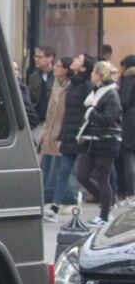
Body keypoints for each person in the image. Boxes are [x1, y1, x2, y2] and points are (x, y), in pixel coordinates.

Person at [45, 53, 94, 219]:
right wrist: (61, 136)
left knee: (85, 173)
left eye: (78, 60)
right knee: (64, 170)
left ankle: (105, 200)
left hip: (82, 135)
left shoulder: (87, 85)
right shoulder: (73, 85)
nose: (74, 60)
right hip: (69, 134)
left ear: (83, 67)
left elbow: (87, 112)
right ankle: (55, 207)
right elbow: (66, 113)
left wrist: (82, 131)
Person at [76, 59, 122, 226]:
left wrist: (90, 113)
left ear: (100, 75)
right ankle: (107, 203)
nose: (91, 74)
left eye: (94, 72)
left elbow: (108, 118)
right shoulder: (97, 91)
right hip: (91, 141)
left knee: (103, 178)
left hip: (107, 142)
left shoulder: (111, 95)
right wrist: (83, 131)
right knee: (82, 175)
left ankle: (104, 214)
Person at [38, 57, 70, 219]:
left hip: (61, 134)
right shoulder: (55, 84)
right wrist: (44, 132)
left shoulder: (71, 87)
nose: (55, 68)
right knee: (44, 167)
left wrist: (62, 135)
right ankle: (41, 199)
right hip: (49, 131)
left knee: (60, 169)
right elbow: (50, 112)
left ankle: (56, 202)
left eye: (58, 66)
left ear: (65, 70)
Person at [117, 54, 135, 209]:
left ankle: (132, 192)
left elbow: (124, 101)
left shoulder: (129, 79)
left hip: (130, 121)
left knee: (128, 155)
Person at [27, 45, 55, 125]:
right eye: (35, 56)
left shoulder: (57, 76)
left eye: (40, 57)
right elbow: (31, 98)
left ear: (50, 58)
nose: (36, 59)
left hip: (51, 120)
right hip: (37, 120)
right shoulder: (33, 77)